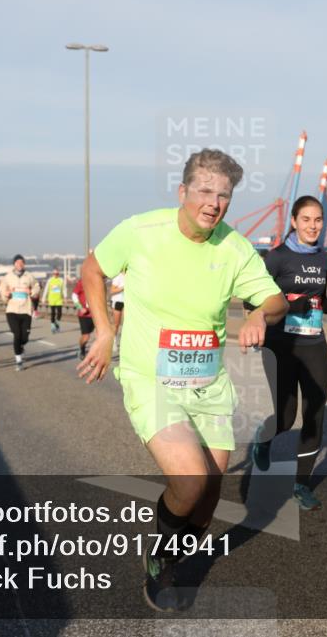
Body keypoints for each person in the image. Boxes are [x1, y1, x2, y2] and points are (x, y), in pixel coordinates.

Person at [77, 148, 288, 611]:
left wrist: (256, 314)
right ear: (183, 191)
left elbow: (276, 302)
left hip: (208, 383)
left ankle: (172, 552)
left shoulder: (234, 248)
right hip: (150, 376)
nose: (214, 203)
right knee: (190, 481)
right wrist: (105, 330)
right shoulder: (141, 230)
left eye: (224, 196)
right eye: (205, 191)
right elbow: (93, 268)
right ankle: (160, 561)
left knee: (210, 493)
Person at [251, 195, 327, 510]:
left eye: (318, 220)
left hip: (314, 342)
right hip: (280, 345)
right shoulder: (276, 258)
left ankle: (301, 485)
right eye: (306, 219)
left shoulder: (324, 259)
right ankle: (263, 439)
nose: (312, 226)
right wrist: (289, 305)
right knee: (287, 417)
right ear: (293, 221)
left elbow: (315, 299)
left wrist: (326, 305)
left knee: (315, 413)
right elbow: (253, 303)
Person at [0, 254, 40, 372]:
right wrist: (6, 293)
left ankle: (21, 346)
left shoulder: (29, 276)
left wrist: (31, 291)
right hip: (12, 310)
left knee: (25, 337)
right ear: (14, 264)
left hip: (26, 310)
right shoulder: (8, 277)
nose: (20, 264)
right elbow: (2, 288)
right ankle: (18, 361)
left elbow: (37, 287)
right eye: (17, 262)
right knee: (17, 334)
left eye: (22, 262)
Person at [71, 277, 93, 360]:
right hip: (84, 314)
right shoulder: (82, 282)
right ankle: (82, 349)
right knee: (86, 336)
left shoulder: (97, 281)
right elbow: (74, 295)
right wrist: (80, 307)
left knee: (100, 334)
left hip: (95, 313)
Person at [109, 270, 126, 353]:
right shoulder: (118, 276)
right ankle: (114, 341)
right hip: (117, 301)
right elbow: (112, 291)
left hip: (127, 301)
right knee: (116, 324)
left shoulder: (131, 276)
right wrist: (123, 288)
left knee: (127, 323)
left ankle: (124, 343)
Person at [45, 269, 65, 334]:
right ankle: (53, 326)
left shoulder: (61, 280)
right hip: (51, 299)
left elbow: (64, 288)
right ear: (52, 274)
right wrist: (43, 298)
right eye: (54, 274)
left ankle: (56, 322)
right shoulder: (50, 280)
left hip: (59, 299)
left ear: (58, 274)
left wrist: (65, 296)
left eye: (57, 274)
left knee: (60, 313)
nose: (56, 275)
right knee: (53, 313)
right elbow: (46, 289)